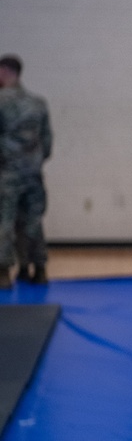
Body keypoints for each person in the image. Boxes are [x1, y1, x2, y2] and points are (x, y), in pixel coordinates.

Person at [0, 54, 53, 289]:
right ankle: (38, 268)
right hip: (33, 172)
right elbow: (48, 142)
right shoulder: (38, 102)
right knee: (34, 221)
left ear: (3, 72)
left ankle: (3, 272)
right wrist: (34, 161)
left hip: (7, 173)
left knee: (6, 221)